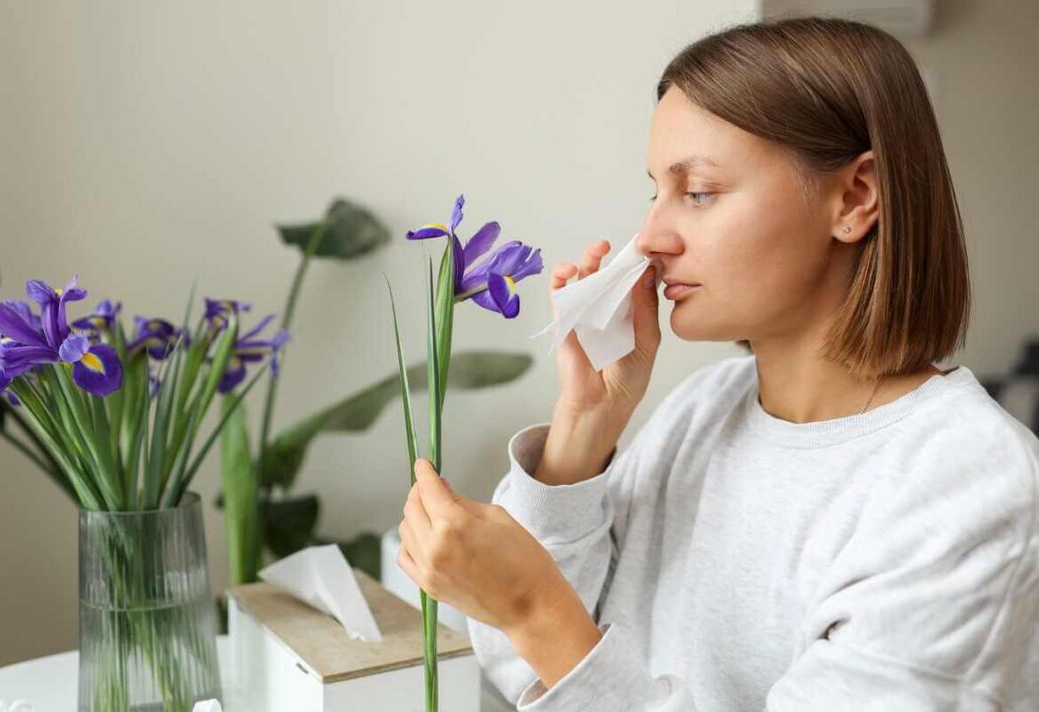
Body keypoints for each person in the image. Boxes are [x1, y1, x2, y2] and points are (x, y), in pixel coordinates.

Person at [396, 16, 1039, 711]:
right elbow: (529, 678)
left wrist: (531, 608)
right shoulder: (705, 410)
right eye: (656, 192)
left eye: (697, 191)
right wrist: (581, 436)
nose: (650, 237)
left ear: (855, 198)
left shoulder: (965, 485)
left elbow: (548, 640)